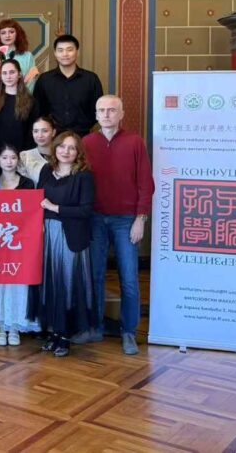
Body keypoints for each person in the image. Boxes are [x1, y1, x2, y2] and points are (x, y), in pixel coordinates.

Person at [82, 95, 154, 355]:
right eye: (101, 110)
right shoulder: (86, 143)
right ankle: (96, 326)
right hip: (95, 219)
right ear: (96, 114)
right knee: (95, 276)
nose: (106, 114)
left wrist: (140, 219)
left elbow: (146, 183)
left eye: (112, 110)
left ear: (121, 114)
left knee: (129, 279)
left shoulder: (135, 142)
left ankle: (128, 331)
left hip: (126, 221)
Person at [32, 131, 98, 358]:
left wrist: (55, 208)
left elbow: (86, 210)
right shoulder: (46, 170)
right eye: (62, 146)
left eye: (71, 148)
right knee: (50, 284)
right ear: (55, 148)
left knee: (68, 285)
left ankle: (65, 336)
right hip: (48, 235)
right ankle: (53, 332)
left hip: (71, 236)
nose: (65, 151)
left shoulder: (84, 175)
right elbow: (37, 200)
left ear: (78, 152)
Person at [0, 143, 38, 346]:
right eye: (5, 157)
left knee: (18, 283)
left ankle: (15, 326)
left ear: (18, 160)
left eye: (13, 157)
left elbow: (31, 213)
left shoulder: (27, 183)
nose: (9, 162)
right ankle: (0, 326)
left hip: (19, 241)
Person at [33, 35, 104, 136]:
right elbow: (38, 111)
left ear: (77, 52)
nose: (65, 54)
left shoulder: (91, 79)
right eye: (60, 50)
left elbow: (98, 109)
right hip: (53, 136)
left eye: (69, 50)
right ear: (55, 53)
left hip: (83, 135)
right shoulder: (44, 80)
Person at [0, 59, 38, 170]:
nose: (8, 76)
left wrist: (24, 154)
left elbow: (32, 131)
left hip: (21, 156)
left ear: (19, 74)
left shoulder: (31, 101)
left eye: (12, 72)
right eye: (4, 73)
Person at [0, 19, 39, 90]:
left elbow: (31, 82)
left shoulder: (28, 56)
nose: (7, 35)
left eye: (11, 32)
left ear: (17, 34)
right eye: (3, 33)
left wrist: (21, 95)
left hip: (22, 95)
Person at [20, 115, 56, 180]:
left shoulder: (62, 156)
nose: (40, 135)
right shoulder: (25, 157)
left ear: (53, 132)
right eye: (36, 131)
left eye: (45, 131)